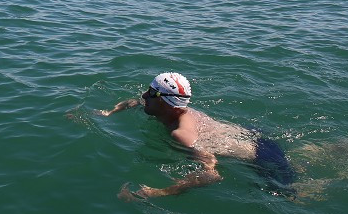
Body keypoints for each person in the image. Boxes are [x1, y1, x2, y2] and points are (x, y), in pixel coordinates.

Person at [98, 72, 295, 198]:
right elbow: (135, 101)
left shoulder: (182, 135)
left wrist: (160, 192)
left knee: (294, 196)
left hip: (260, 157)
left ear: (167, 103)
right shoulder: (166, 106)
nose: (144, 96)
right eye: (149, 90)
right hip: (249, 134)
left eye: (152, 93)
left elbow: (212, 173)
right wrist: (109, 112)